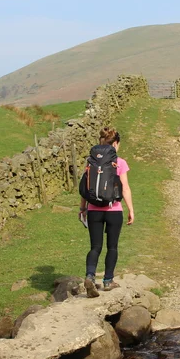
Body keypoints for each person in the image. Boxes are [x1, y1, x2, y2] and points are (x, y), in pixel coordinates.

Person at [80, 127, 134, 297]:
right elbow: (125, 188)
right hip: (114, 210)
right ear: (116, 143)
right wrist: (131, 209)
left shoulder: (91, 162)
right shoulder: (120, 162)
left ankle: (90, 276)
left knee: (95, 247)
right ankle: (108, 281)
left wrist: (82, 208)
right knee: (112, 247)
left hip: (93, 210)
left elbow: (85, 188)